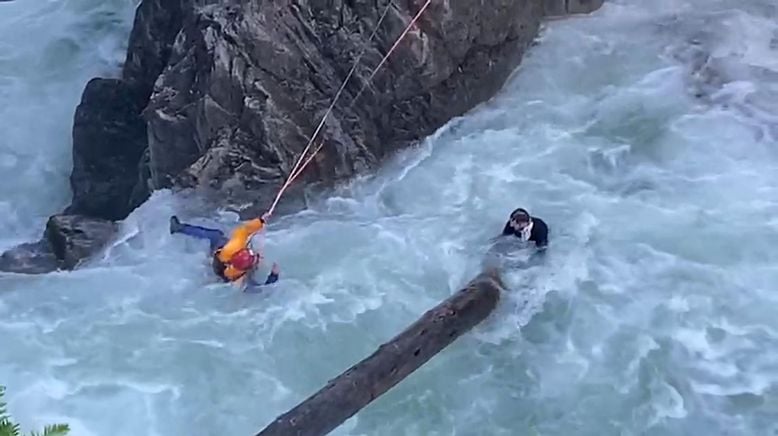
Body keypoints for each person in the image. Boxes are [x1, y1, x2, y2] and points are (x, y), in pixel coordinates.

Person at [169, 214, 280, 290]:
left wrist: (260, 221)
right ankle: (180, 228)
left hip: (219, 260)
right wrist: (274, 275)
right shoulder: (241, 277)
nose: (257, 257)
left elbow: (244, 229)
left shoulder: (233, 247)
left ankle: (180, 228)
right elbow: (261, 289)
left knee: (216, 235)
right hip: (221, 267)